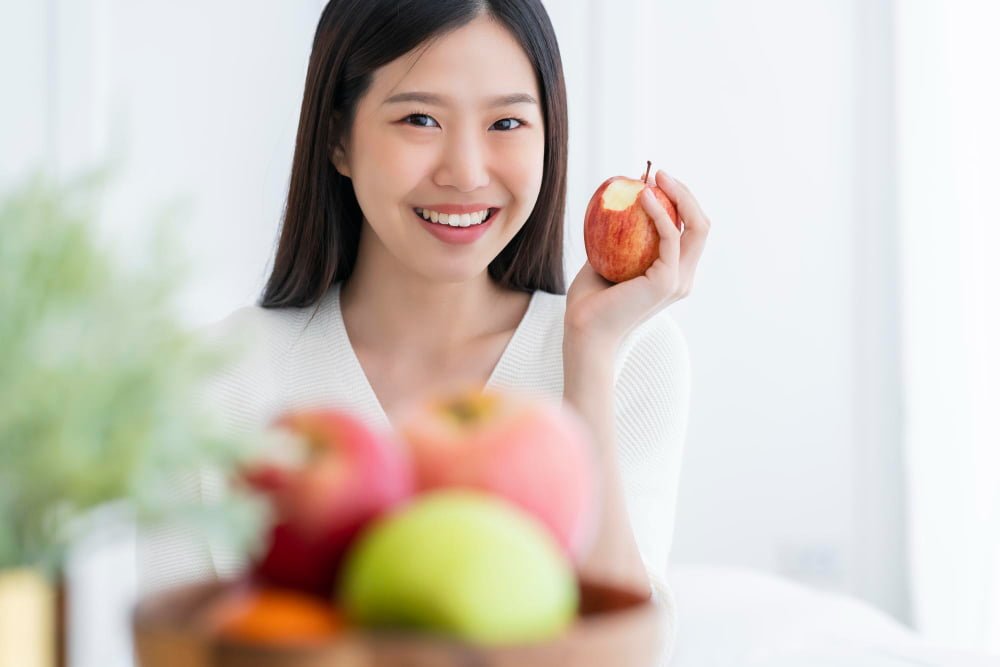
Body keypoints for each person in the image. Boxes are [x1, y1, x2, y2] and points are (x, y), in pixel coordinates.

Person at [142, 0, 710, 663]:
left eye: (506, 121)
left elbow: (621, 656)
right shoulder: (214, 377)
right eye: (420, 118)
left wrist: (589, 353)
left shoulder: (630, 357)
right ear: (337, 137)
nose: (466, 171)